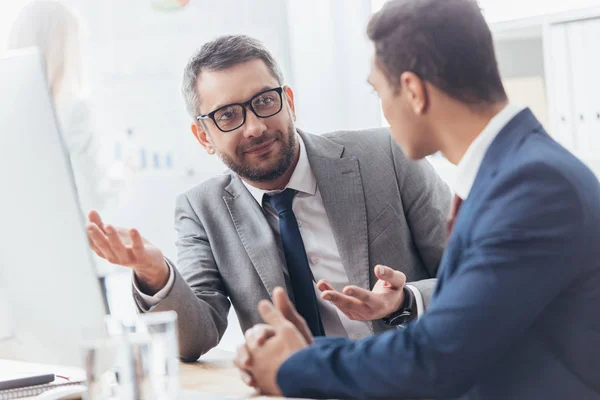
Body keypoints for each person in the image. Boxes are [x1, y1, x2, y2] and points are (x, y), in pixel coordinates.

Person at [234, 0, 600, 398]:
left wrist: (295, 366)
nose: (384, 113)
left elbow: (435, 359)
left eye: (378, 91)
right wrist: (306, 353)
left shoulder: (533, 187)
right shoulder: (513, 172)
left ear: (413, 90)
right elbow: (453, 334)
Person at [85, 34, 451, 361]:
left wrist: (404, 301)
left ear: (288, 101)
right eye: (228, 115)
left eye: (264, 101)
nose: (255, 127)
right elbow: (194, 339)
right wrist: (154, 272)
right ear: (203, 137)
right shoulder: (202, 210)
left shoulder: (386, 154)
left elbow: (477, 273)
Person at [7, 0, 123, 213]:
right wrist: (121, 174)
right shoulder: (74, 111)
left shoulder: (7, 111)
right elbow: (95, 201)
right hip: (62, 238)